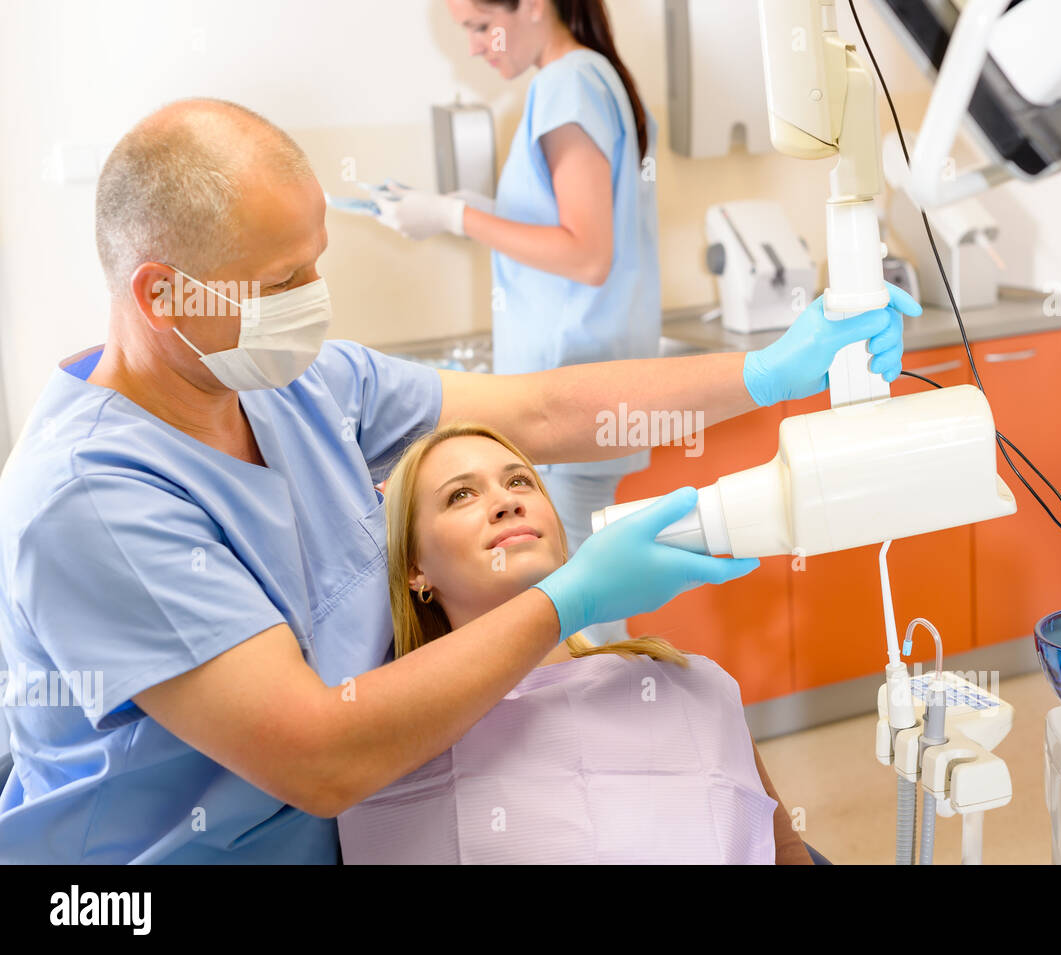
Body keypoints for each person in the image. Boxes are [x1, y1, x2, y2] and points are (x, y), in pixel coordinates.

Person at [0, 97, 916, 863]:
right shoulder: (91, 501)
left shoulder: (293, 384)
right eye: (284, 279)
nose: (315, 296)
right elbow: (319, 756)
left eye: (318, 259)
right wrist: (571, 597)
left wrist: (769, 372)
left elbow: (546, 412)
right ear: (165, 295)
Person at [337, 423, 813, 863]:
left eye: (520, 481)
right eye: (461, 495)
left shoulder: (687, 683)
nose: (507, 502)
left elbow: (785, 851)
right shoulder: (384, 743)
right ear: (415, 569)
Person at [368, 0, 660, 644]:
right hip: (589, 384)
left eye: (477, 27)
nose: (474, 47)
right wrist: (482, 211)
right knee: (588, 591)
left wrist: (454, 219)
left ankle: (613, 732)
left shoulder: (567, 83)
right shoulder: (593, 77)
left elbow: (585, 253)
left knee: (583, 603)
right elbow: (573, 232)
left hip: (568, 391)